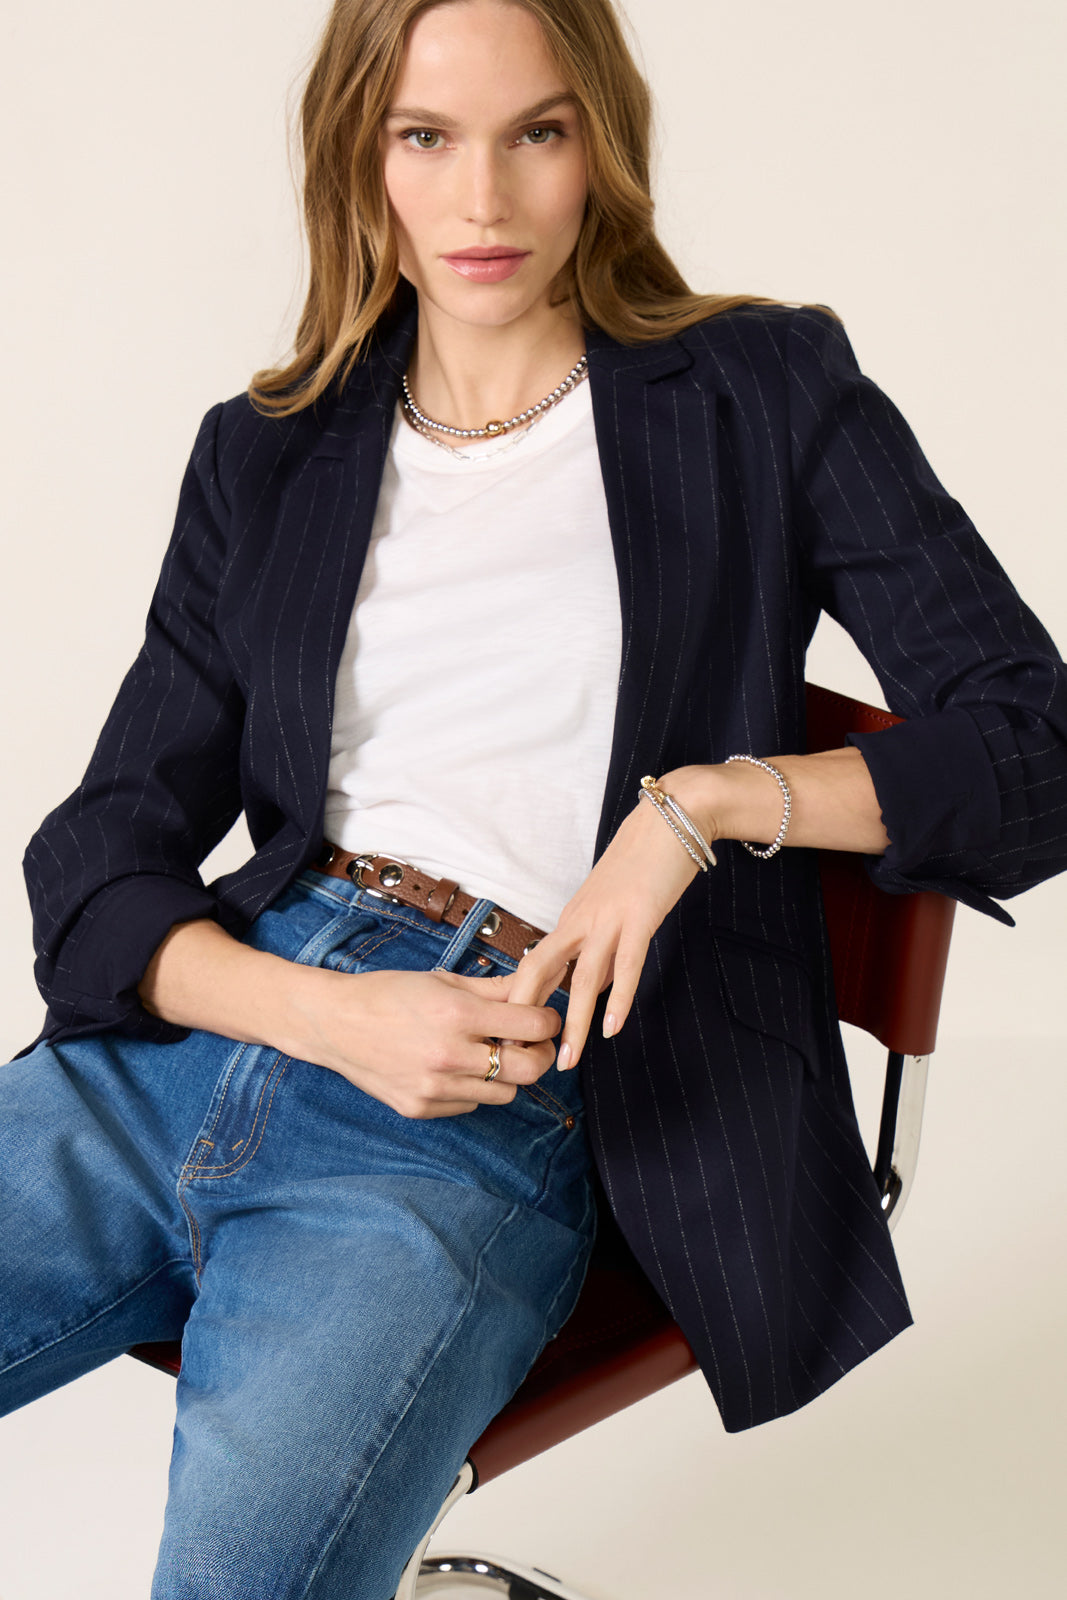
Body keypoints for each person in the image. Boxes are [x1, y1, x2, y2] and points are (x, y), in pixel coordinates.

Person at [3, 0, 1066, 1595]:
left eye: (536, 133)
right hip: (195, 1037)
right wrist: (323, 1013)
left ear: (601, 148)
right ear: (360, 158)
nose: (483, 199)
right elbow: (99, 852)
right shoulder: (268, 453)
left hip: (494, 1089)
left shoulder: (763, 392)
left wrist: (705, 806)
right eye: (426, 137)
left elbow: (1039, 745)